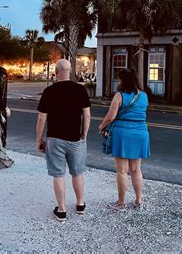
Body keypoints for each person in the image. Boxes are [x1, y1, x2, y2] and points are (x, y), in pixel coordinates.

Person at [36, 59, 91, 222]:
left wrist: (39, 139)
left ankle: (61, 210)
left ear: (56, 72)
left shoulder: (49, 91)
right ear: (70, 71)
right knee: (77, 172)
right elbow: (87, 115)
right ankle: (80, 204)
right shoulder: (81, 90)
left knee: (58, 174)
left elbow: (41, 118)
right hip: (76, 139)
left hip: (55, 139)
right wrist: (84, 134)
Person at [98, 69, 150, 210]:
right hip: (141, 133)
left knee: (122, 171)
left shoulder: (119, 96)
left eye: (120, 79)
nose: (118, 82)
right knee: (136, 169)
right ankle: (138, 200)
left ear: (123, 81)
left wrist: (102, 126)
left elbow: (111, 116)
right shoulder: (144, 95)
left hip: (123, 134)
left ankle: (121, 203)